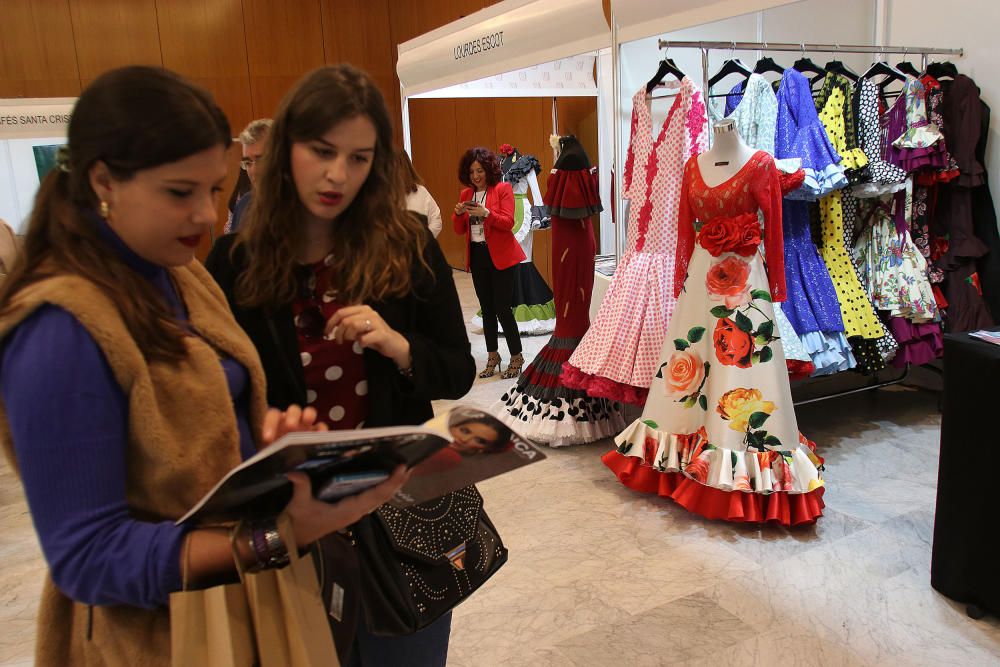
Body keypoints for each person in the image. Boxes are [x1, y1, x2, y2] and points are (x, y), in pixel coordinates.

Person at [0, 66, 408, 667]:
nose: (205, 216)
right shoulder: (58, 329)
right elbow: (87, 559)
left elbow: (190, 442)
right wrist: (275, 534)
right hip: (153, 638)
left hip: (240, 607)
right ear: (103, 180)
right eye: (178, 192)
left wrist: (268, 448)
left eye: (214, 191)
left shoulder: (176, 271)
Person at [206, 63, 475, 667]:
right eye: (322, 151)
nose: (338, 175)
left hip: (397, 509)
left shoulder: (406, 245)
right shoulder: (237, 259)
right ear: (284, 153)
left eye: (359, 158)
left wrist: (398, 347)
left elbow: (457, 369)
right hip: (291, 512)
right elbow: (216, 391)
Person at [452, 147, 525, 379]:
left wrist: (486, 214)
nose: (476, 176)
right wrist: (457, 214)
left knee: (503, 309)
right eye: (472, 171)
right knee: (487, 310)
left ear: (489, 170)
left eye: (480, 170)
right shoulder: (466, 195)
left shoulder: (502, 189)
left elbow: (508, 222)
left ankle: (517, 356)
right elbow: (457, 230)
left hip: (502, 256)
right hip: (478, 255)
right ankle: (493, 356)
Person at [224, 117, 272, 234]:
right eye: (248, 163)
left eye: (261, 160)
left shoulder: (306, 208)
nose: (253, 171)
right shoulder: (243, 205)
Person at [398, 150, 442, 237]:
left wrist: (423, 240)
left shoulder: (421, 192)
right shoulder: (382, 195)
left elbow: (436, 220)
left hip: (420, 247)